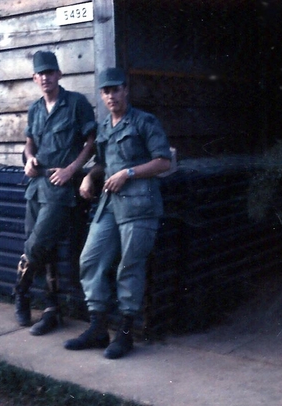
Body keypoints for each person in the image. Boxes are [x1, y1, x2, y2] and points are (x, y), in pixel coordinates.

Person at [64, 67, 172, 359]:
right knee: (90, 259)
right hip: (109, 204)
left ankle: (125, 334)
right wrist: (89, 176)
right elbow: (103, 162)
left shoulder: (144, 122)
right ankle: (98, 328)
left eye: (116, 89)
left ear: (126, 90)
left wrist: (129, 172)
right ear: (102, 96)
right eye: (106, 91)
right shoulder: (104, 128)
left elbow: (164, 162)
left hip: (139, 206)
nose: (111, 95)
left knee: (129, 267)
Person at [13, 50, 97, 336]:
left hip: (61, 189)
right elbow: (28, 143)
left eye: (51, 72)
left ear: (59, 74)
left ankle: (20, 294)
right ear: (35, 78)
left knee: (35, 247)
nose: (46, 77)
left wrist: (72, 170)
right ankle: (51, 309)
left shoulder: (76, 104)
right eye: (41, 74)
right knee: (42, 251)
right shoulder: (35, 109)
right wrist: (29, 159)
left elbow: (92, 142)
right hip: (35, 187)